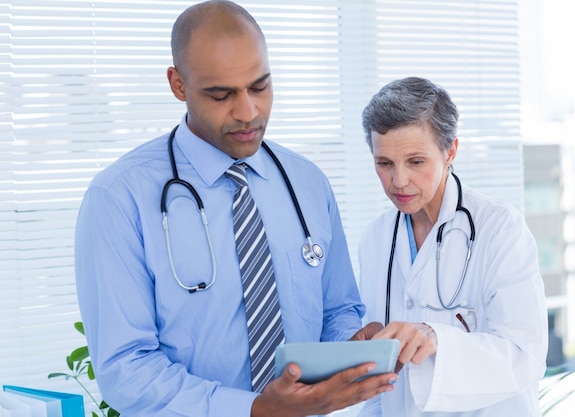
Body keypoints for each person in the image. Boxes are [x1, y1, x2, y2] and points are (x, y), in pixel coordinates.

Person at [74, 2, 396, 416]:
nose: (248, 112)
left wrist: (350, 350)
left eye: (259, 86)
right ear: (178, 85)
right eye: (221, 94)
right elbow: (126, 370)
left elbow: (337, 309)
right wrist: (254, 409)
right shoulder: (119, 198)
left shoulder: (307, 182)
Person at [357, 77, 548, 416]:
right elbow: (380, 381)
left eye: (416, 162)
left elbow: (525, 355)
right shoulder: (376, 238)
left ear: (451, 152)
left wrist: (436, 337)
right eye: (384, 163)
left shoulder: (500, 229)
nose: (398, 181)